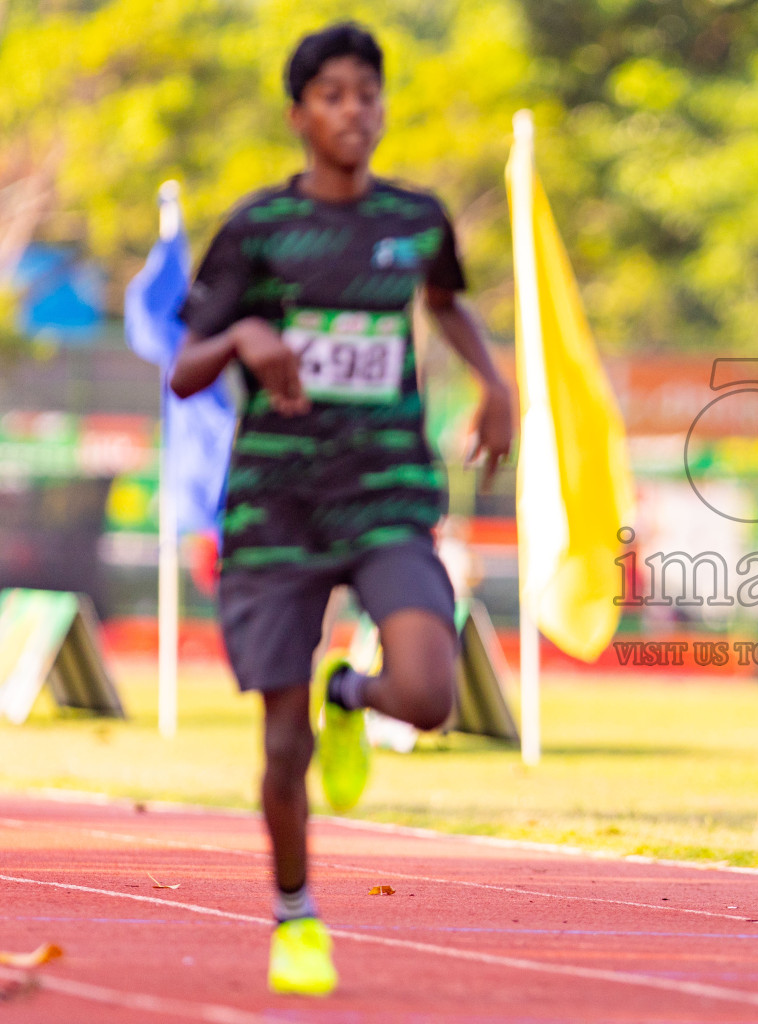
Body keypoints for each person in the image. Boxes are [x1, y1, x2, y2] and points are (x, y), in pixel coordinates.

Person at [168, 22, 513, 996]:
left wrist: (494, 380)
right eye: (332, 95)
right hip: (277, 510)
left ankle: (350, 696)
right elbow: (186, 371)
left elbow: (444, 301)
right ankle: (295, 913)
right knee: (281, 747)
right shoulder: (258, 230)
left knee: (432, 694)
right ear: (299, 114)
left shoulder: (416, 217)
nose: (352, 110)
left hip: (386, 492)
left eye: (367, 92)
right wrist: (245, 335)